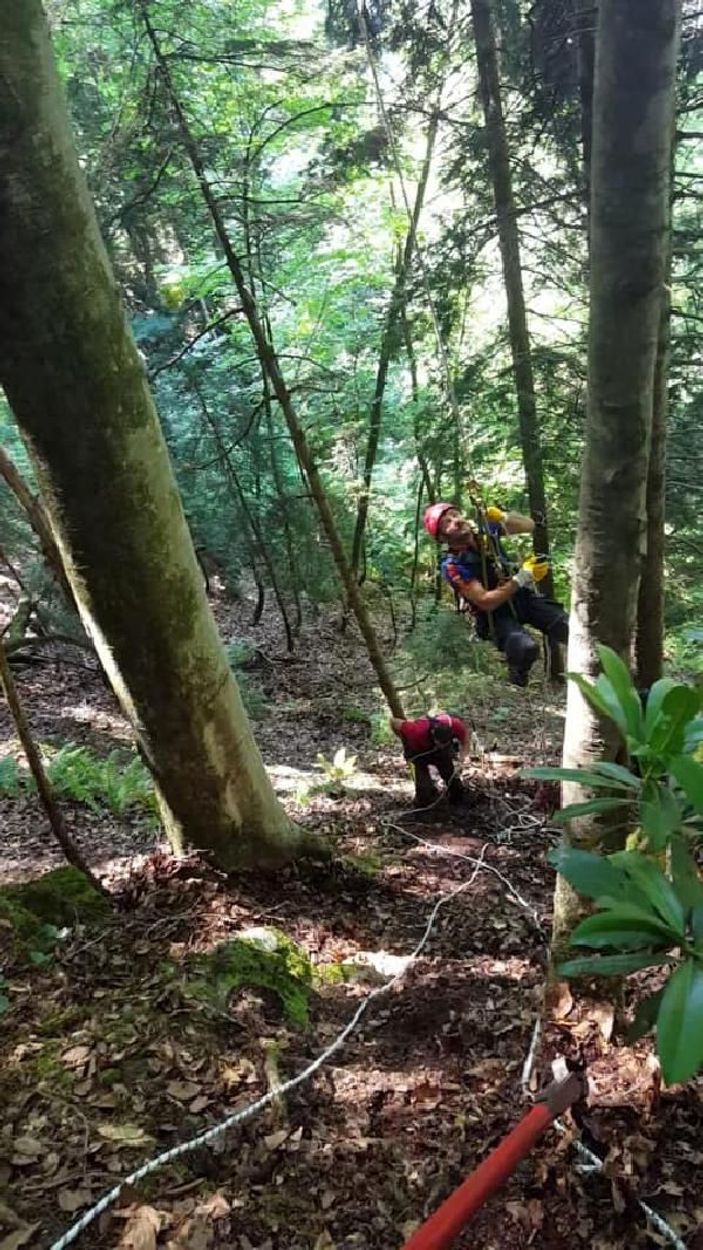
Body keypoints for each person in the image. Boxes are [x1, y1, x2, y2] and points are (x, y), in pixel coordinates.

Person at [423, 501, 569, 687]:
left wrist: (503, 517)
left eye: (455, 514)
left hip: (521, 598)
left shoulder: (485, 532)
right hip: (494, 616)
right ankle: (517, 681)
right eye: (447, 523)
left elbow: (529, 525)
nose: (456, 521)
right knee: (524, 648)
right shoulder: (453, 565)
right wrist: (522, 577)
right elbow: (485, 601)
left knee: (567, 626)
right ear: (443, 538)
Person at [389, 712, 469, 807]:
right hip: (417, 753)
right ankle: (424, 807)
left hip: (441, 754)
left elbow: (465, 742)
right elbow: (393, 721)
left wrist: (461, 760)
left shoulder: (455, 725)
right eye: (439, 743)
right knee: (423, 788)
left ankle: (458, 800)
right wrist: (404, 738)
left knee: (451, 777)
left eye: (445, 742)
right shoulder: (415, 730)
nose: (441, 745)